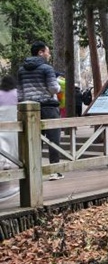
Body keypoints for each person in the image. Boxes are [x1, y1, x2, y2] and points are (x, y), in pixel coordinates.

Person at [17, 41, 63, 180]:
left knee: (33, 139)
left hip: (29, 109)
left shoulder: (21, 70)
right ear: (40, 53)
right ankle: (53, 170)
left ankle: (34, 171)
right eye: (47, 52)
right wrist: (58, 85)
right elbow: (54, 89)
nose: (49, 55)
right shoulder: (46, 68)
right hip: (48, 107)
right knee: (53, 139)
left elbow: (19, 93)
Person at [0, 76, 18, 200]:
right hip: (13, 125)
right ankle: (8, 163)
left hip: (1, 124)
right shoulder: (16, 93)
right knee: (11, 146)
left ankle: (3, 162)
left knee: (2, 146)